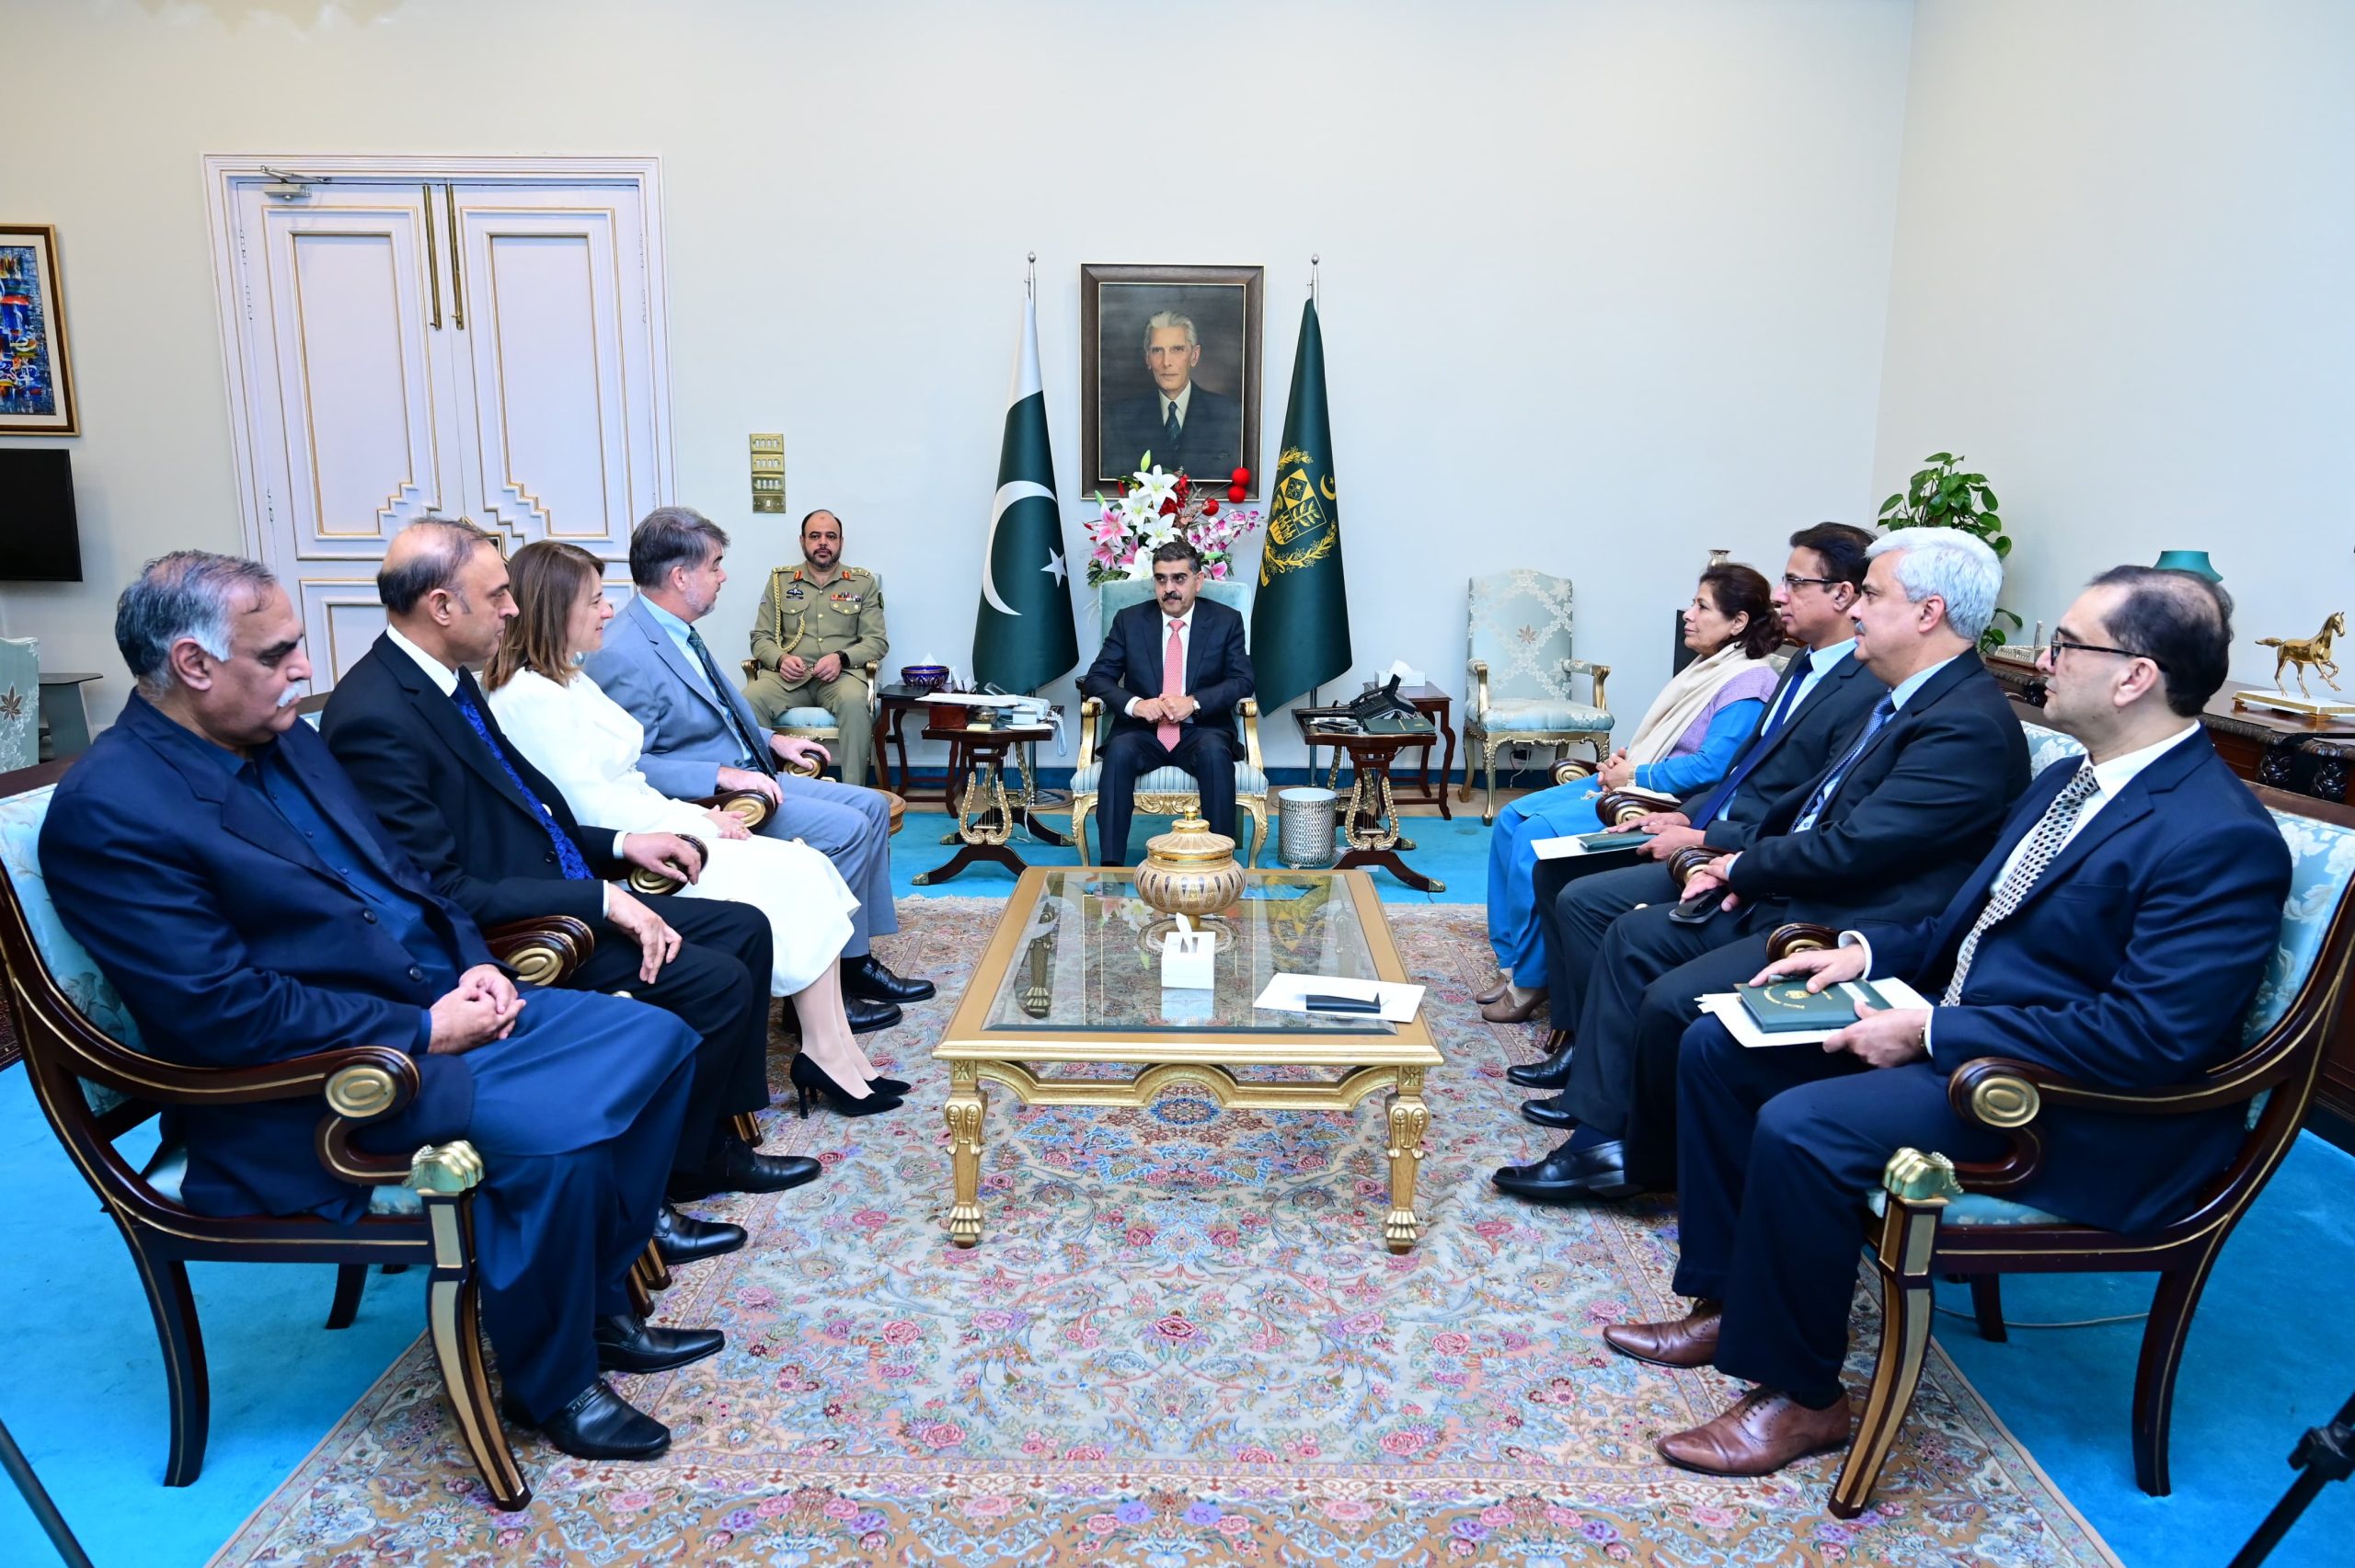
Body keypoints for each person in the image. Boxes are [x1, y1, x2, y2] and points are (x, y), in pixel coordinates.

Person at [44, 551, 739, 1461]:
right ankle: (553, 1384)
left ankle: (597, 1299)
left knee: (662, 1039)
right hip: (314, 1086)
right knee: (561, 1136)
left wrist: (467, 968)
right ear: (192, 664)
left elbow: (406, 878)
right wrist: (420, 1028)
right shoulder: (113, 811)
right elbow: (221, 1013)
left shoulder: (284, 736)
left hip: (429, 1006)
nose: (304, 668)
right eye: (279, 652)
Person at [1609, 567, 2289, 1479]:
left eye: (2067, 642)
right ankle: (1733, 1302)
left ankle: (1802, 1397)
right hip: (1978, 1040)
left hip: (2070, 1107)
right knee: (1717, 1043)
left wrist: (1932, 1033)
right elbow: (1963, 924)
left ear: (2135, 675)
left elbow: (2149, 1038)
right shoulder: (2071, 782)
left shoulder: (2217, 835)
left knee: (1802, 1126)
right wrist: (1859, 954)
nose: (2043, 658)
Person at [1498, 526, 2030, 1202]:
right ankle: (1606, 1131)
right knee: (1634, 935)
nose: (1857, 610)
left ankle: (1626, 1154)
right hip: (1796, 883)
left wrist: (1736, 863)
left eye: (1870, 594)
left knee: (1668, 999)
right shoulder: (1910, 697)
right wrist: (1725, 849)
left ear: (1928, 613)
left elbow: (1858, 846)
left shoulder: (1962, 723)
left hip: (1845, 924)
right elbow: (1807, 803)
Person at [321, 519, 815, 1205]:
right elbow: (442, 890)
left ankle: (707, 1143)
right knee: (712, 979)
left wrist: (620, 846)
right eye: (497, 594)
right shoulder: (375, 715)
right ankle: (677, 1168)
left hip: (559, 885)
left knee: (745, 929)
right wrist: (607, 900)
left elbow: (533, 808)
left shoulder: (446, 682)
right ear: (442, 606)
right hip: (514, 929)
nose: (514, 608)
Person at [485, 540, 906, 1117]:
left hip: (670, 822)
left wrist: (703, 815)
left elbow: (628, 781)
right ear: (554, 610)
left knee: (807, 866)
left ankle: (835, 1048)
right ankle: (827, 1053)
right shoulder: (527, 698)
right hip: (646, 854)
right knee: (799, 873)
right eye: (593, 601)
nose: (609, 610)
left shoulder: (569, 679)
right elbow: (591, 811)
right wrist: (694, 823)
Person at [1506, 523, 1880, 1075]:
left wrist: (1703, 837)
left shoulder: (1857, 688)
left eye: (1795, 582)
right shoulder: (1803, 665)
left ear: (1844, 596)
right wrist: (1681, 814)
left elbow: (1803, 808)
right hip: (1704, 820)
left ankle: (1590, 1055)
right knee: (1553, 873)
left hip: (1745, 854)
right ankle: (1573, 1031)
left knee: (1581, 896)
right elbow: (1740, 772)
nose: (1781, 595)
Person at [586, 506, 933, 1012]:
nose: (723, 576)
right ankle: (817, 991)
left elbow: (722, 711)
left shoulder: (675, 628)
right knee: (848, 827)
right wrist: (720, 773)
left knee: (874, 807)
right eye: (715, 566)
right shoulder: (624, 652)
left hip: (751, 770)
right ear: (681, 576)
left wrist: (774, 741)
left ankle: (853, 962)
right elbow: (630, 765)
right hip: (714, 797)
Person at [1478, 563, 1782, 1023]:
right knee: (1510, 820)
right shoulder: (1707, 668)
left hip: (1662, 801)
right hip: (1636, 779)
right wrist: (1627, 765)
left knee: (1533, 838)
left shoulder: (1750, 680)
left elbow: (1713, 767)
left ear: (1738, 622)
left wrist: (1636, 773)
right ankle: (1511, 960)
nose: (1689, 614)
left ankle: (1532, 976)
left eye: (1702, 606)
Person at [1077, 538, 1255, 864]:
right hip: (1143, 731)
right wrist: (1135, 704)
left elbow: (1243, 680)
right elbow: (1097, 678)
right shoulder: (1129, 621)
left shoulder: (1225, 621)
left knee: (1216, 754)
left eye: (1178, 579)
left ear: (1198, 581)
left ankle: (1220, 863)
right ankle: (1111, 866)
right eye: (1161, 579)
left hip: (1201, 729)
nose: (1169, 588)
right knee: (1118, 752)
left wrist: (1194, 702)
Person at [742, 509, 887, 785]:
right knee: (748, 700)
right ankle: (762, 788)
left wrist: (841, 658)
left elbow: (876, 641)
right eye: (815, 536)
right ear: (802, 541)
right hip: (788, 678)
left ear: (841, 542)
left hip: (840, 678)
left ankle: (854, 793)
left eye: (830, 536)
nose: (823, 542)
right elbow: (760, 637)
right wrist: (781, 659)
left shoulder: (862, 583)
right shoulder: (780, 581)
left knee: (856, 703)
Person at [1101, 310, 1244, 481]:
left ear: (1194, 356)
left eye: (1177, 349)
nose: (1166, 362)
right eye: (1157, 351)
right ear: (1147, 358)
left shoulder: (1230, 415)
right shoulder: (1119, 419)